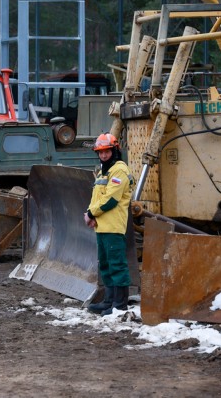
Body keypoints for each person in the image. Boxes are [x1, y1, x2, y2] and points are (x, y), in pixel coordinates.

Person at [84, 132, 134, 316]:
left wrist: (90, 213)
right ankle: (109, 301)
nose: (103, 155)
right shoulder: (103, 171)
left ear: (114, 150)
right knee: (105, 264)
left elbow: (111, 199)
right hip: (102, 226)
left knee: (117, 264)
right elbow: (97, 196)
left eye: (107, 151)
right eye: (100, 152)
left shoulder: (119, 170)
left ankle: (119, 305)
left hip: (113, 227)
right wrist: (90, 214)